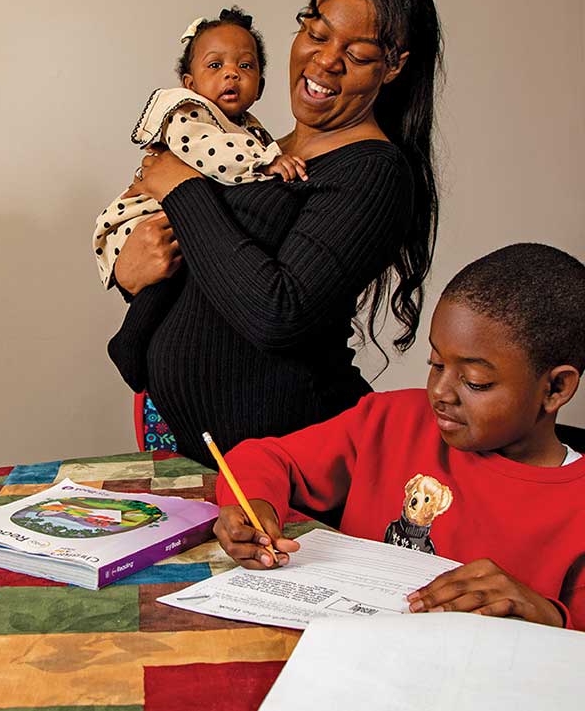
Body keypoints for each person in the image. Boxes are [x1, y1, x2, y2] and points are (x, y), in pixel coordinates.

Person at [110, 0, 443, 466]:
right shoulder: (255, 147)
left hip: (293, 465)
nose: (325, 61)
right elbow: (210, 269)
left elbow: (277, 313)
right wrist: (132, 267)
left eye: (357, 53)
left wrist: (182, 189)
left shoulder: (375, 173)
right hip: (196, 451)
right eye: (315, 32)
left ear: (392, 66)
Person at [213, 243, 585, 631]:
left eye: (476, 382)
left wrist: (549, 615)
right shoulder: (393, 421)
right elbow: (266, 458)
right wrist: (254, 507)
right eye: (436, 364)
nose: (440, 391)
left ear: (556, 388)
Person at [93, 6, 306, 289]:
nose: (231, 73)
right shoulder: (188, 112)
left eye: (245, 65)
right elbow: (211, 153)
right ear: (189, 84)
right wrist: (263, 163)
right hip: (139, 220)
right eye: (215, 65)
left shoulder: (249, 128)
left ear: (260, 88)